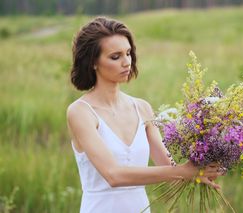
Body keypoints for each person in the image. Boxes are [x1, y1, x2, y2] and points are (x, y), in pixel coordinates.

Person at [67, 17, 224, 213]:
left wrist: (202, 162)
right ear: (93, 62)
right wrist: (182, 171)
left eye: (128, 53)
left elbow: (169, 169)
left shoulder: (142, 108)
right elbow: (113, 175)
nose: (127, 62)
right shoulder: (80, 112)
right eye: (115, 57)